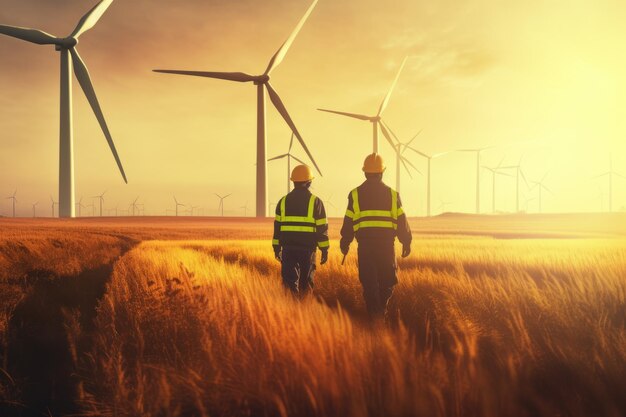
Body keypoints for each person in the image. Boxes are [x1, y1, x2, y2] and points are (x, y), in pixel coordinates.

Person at [340, 153, 412, 320]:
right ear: (382, 172)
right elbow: (401, 220)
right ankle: (380, 311)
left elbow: (349, 220)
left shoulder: (355, 194)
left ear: (365, 172)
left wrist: (345, 241)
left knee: (369, 283)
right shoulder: (393, 195)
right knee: (387, 281)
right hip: (386, 246)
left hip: (365, 247)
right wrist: (406, 241)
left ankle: (374, 314)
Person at [273, 164, 329, 296]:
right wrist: (324, 249)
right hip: (307, 250)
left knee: (289, 283)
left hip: (288, 249)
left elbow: (277, 228)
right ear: (309, 182)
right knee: (306, 284)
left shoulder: (283, 201)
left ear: (293, 182)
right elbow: (322, 229)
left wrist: (276, 248)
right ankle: (304, 312)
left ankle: (290, 312)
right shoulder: (316, 202)